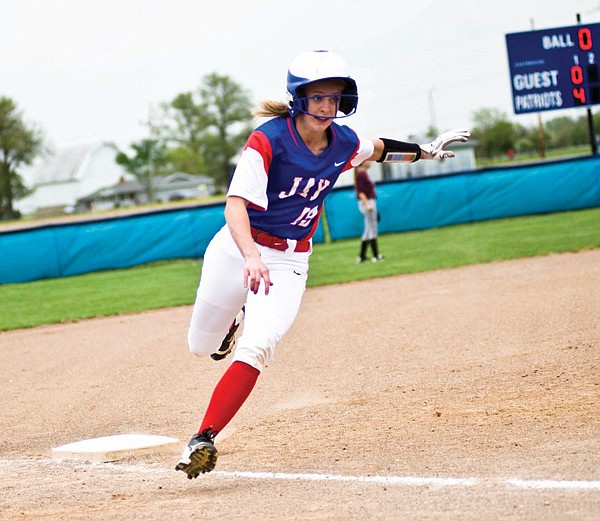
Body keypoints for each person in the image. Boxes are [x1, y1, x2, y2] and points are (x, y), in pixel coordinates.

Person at [175, 50, 469, 478]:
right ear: (298, 99)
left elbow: (381, 149)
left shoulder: (343, 141)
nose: (328, 107)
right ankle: (233, 319)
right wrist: (251, 257)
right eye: (318, 98)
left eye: (335, 99)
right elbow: (235, 206)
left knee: (259, 347)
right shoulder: (269, 140)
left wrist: (425, 151)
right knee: (200, 346)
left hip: (289, 260)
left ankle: (203, 437)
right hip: (238, 249)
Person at [354, 160, 383, 262]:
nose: (370, 161)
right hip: (368, 202)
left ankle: (361, 256)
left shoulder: (363, 173)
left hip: (370, 202)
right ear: (362, 161)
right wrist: (368, 205)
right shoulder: (361, 174)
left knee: (367, 229)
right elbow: (361, 192)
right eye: (368, 159)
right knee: (372, 228)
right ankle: (376, 255)